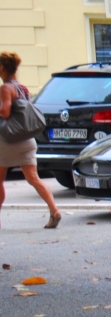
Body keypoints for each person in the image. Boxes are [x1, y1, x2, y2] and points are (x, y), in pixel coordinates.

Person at [0, 52, 61, 229]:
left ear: (2, 68)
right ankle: (54, 210)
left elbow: (5, 112)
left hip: (8, 141)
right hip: (27, 140)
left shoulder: (5, 89)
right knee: (33, 178)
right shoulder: (22, 88)